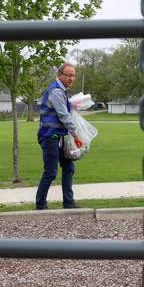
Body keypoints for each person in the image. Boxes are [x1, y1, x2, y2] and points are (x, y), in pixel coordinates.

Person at [35, 63, 84, 210]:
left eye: (73, 75)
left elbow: (63, 111)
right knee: (51, 172)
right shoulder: (56, 91)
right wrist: (76, 135)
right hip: (50, 137)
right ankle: (40, 204)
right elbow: (63, 116)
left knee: (69, 168)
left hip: (60, 137)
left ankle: (69, 203)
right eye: (68, 75)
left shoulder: (62, 91)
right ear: (60, 75)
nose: (71, 78)